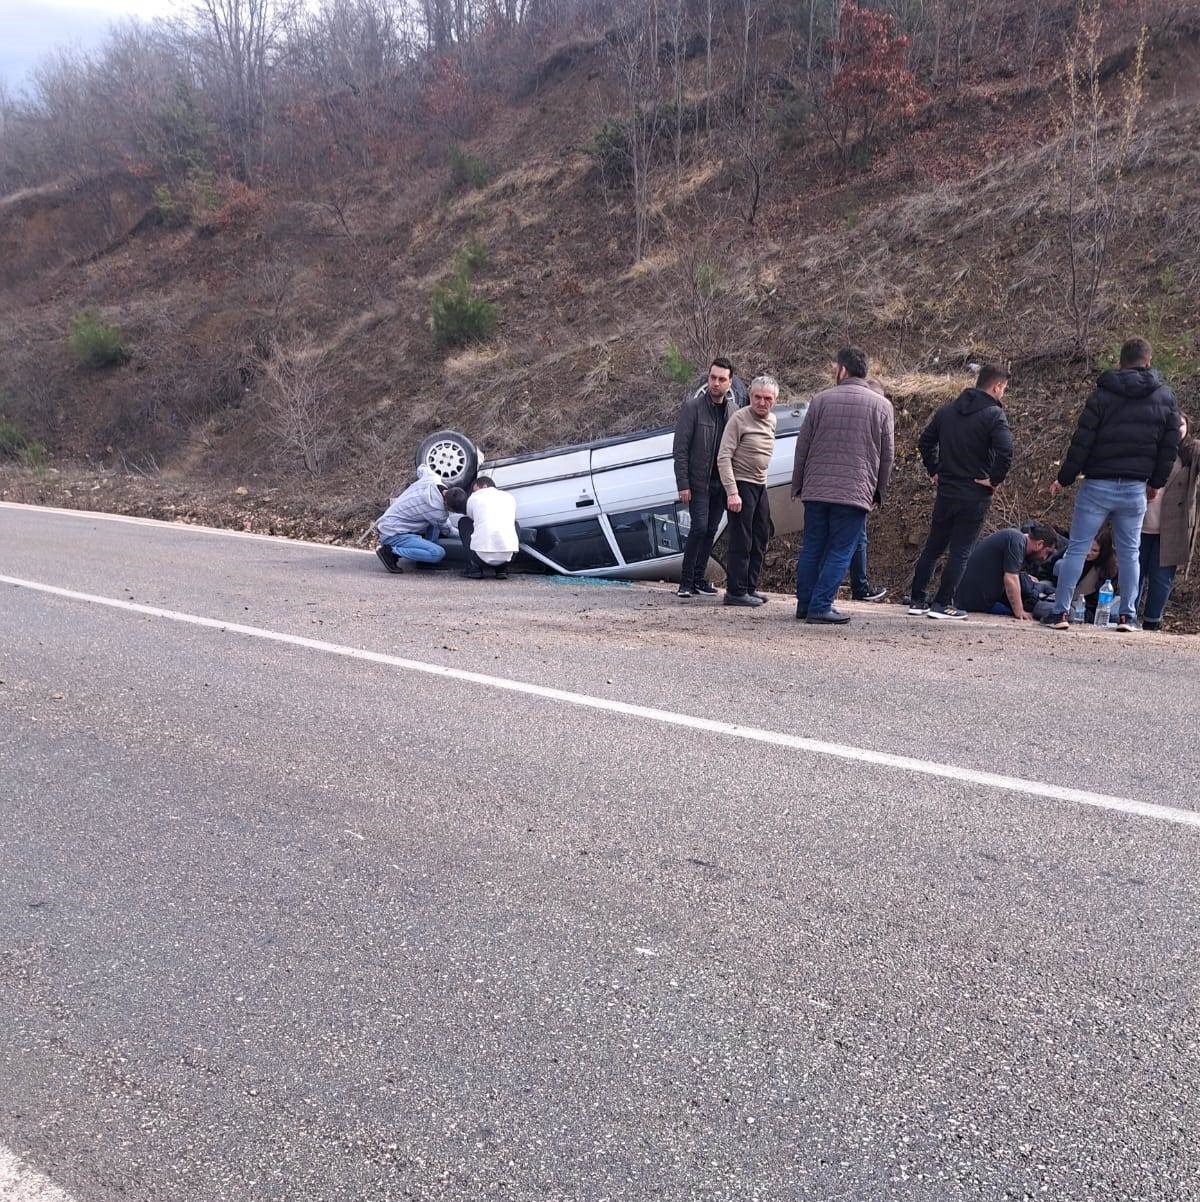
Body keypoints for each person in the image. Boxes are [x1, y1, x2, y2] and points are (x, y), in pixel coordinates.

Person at [1047, 337, 1180, 632]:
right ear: (1148, 360)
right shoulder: (1165, 397)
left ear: (1120, 362)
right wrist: (1156, 483)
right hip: (1135, 488)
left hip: (1097, 485)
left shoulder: (1102, 394)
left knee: (1078, 549)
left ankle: (1060, 613)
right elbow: (1168, 448)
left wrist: (1064, 478)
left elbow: (1082, 442)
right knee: (1130, 552)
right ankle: (1127, 616)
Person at [790, 347, 894, 625]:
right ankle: (821, 606)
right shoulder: (882, 406)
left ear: (843, 370)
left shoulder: (820, 400)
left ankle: (805, 604)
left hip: (816, 490)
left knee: (813, 547)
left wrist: (798, 484)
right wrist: (878, 492)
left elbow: (803, 447)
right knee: (840, 549)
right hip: (854, 492)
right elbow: (887, 455)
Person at [908, 364, 1015, 620]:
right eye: (1004, 389)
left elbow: (925, 442)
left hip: (947, 488)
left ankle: (917, 599)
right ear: (997, 386)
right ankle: (943, 603)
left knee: (933, 546)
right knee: (961, 550)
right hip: (975, 492)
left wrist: (934, 469)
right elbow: (1006, 451)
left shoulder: (947, 411)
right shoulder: (993, 415)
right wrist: (994, 480)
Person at [673, 357, 747, 598]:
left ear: (730, 382)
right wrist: (683, 483)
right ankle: (685, 581)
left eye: (721, 379)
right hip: (698, 482)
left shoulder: (734, 412)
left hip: (721, 483)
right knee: (699, 527)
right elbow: (680, 449)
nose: (716, 383)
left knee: (711, 530)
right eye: (712, 378)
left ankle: (698, 578)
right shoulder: (693, 408)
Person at [716, 374, 779, 607]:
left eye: (767, 398)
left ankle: (750, 587)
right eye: (757, 397)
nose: (762, 403)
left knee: (761, 535)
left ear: (774, 400)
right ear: (750, 396)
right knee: (741, 539)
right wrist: (732, 492)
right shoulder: (739, 419)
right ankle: (735, 591)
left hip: (759, 485)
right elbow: (723, 457)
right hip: (740, 484)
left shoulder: (772, 420)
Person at [1138, 414, 1200, 630]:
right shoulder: (1150, 448)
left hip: (1173, 526)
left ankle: (1152, 622)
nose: (1177, 428)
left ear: (1187, 427)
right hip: (1143, 521)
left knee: (1161, 578)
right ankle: (1126, 616)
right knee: (1134, 573)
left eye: (1181, 424)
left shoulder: (1192, 451)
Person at [375, 465, 467, 572]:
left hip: (388, 522)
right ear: (447, 504)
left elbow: (421, 467)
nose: (450, 512)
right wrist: (466, 534)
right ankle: (390, 552)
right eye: (451, 510)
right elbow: (448, 531)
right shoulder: (437, 512)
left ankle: (425, 562)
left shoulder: (432, 478)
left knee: (435, 523)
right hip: (393, 533)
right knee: (437, 553)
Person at [955, 524, 1058, 619]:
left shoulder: (1014, 537)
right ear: (1040, 544)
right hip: (975, 603)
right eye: (1047, 552)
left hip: (971, 598)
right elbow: (1011, 578)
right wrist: (1019, 611)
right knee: (1022, 613)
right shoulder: (1017, 541)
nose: (1044, 557)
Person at [458, 476, 518, 580]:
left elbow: (472, 518)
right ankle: (502, 570)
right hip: (508, 558)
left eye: (475, 489)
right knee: (515, 524)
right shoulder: (509, 497)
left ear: (484, 486)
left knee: (464, 521)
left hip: (479, 558)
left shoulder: (474, 497)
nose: (474, 492)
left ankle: (474, 569)